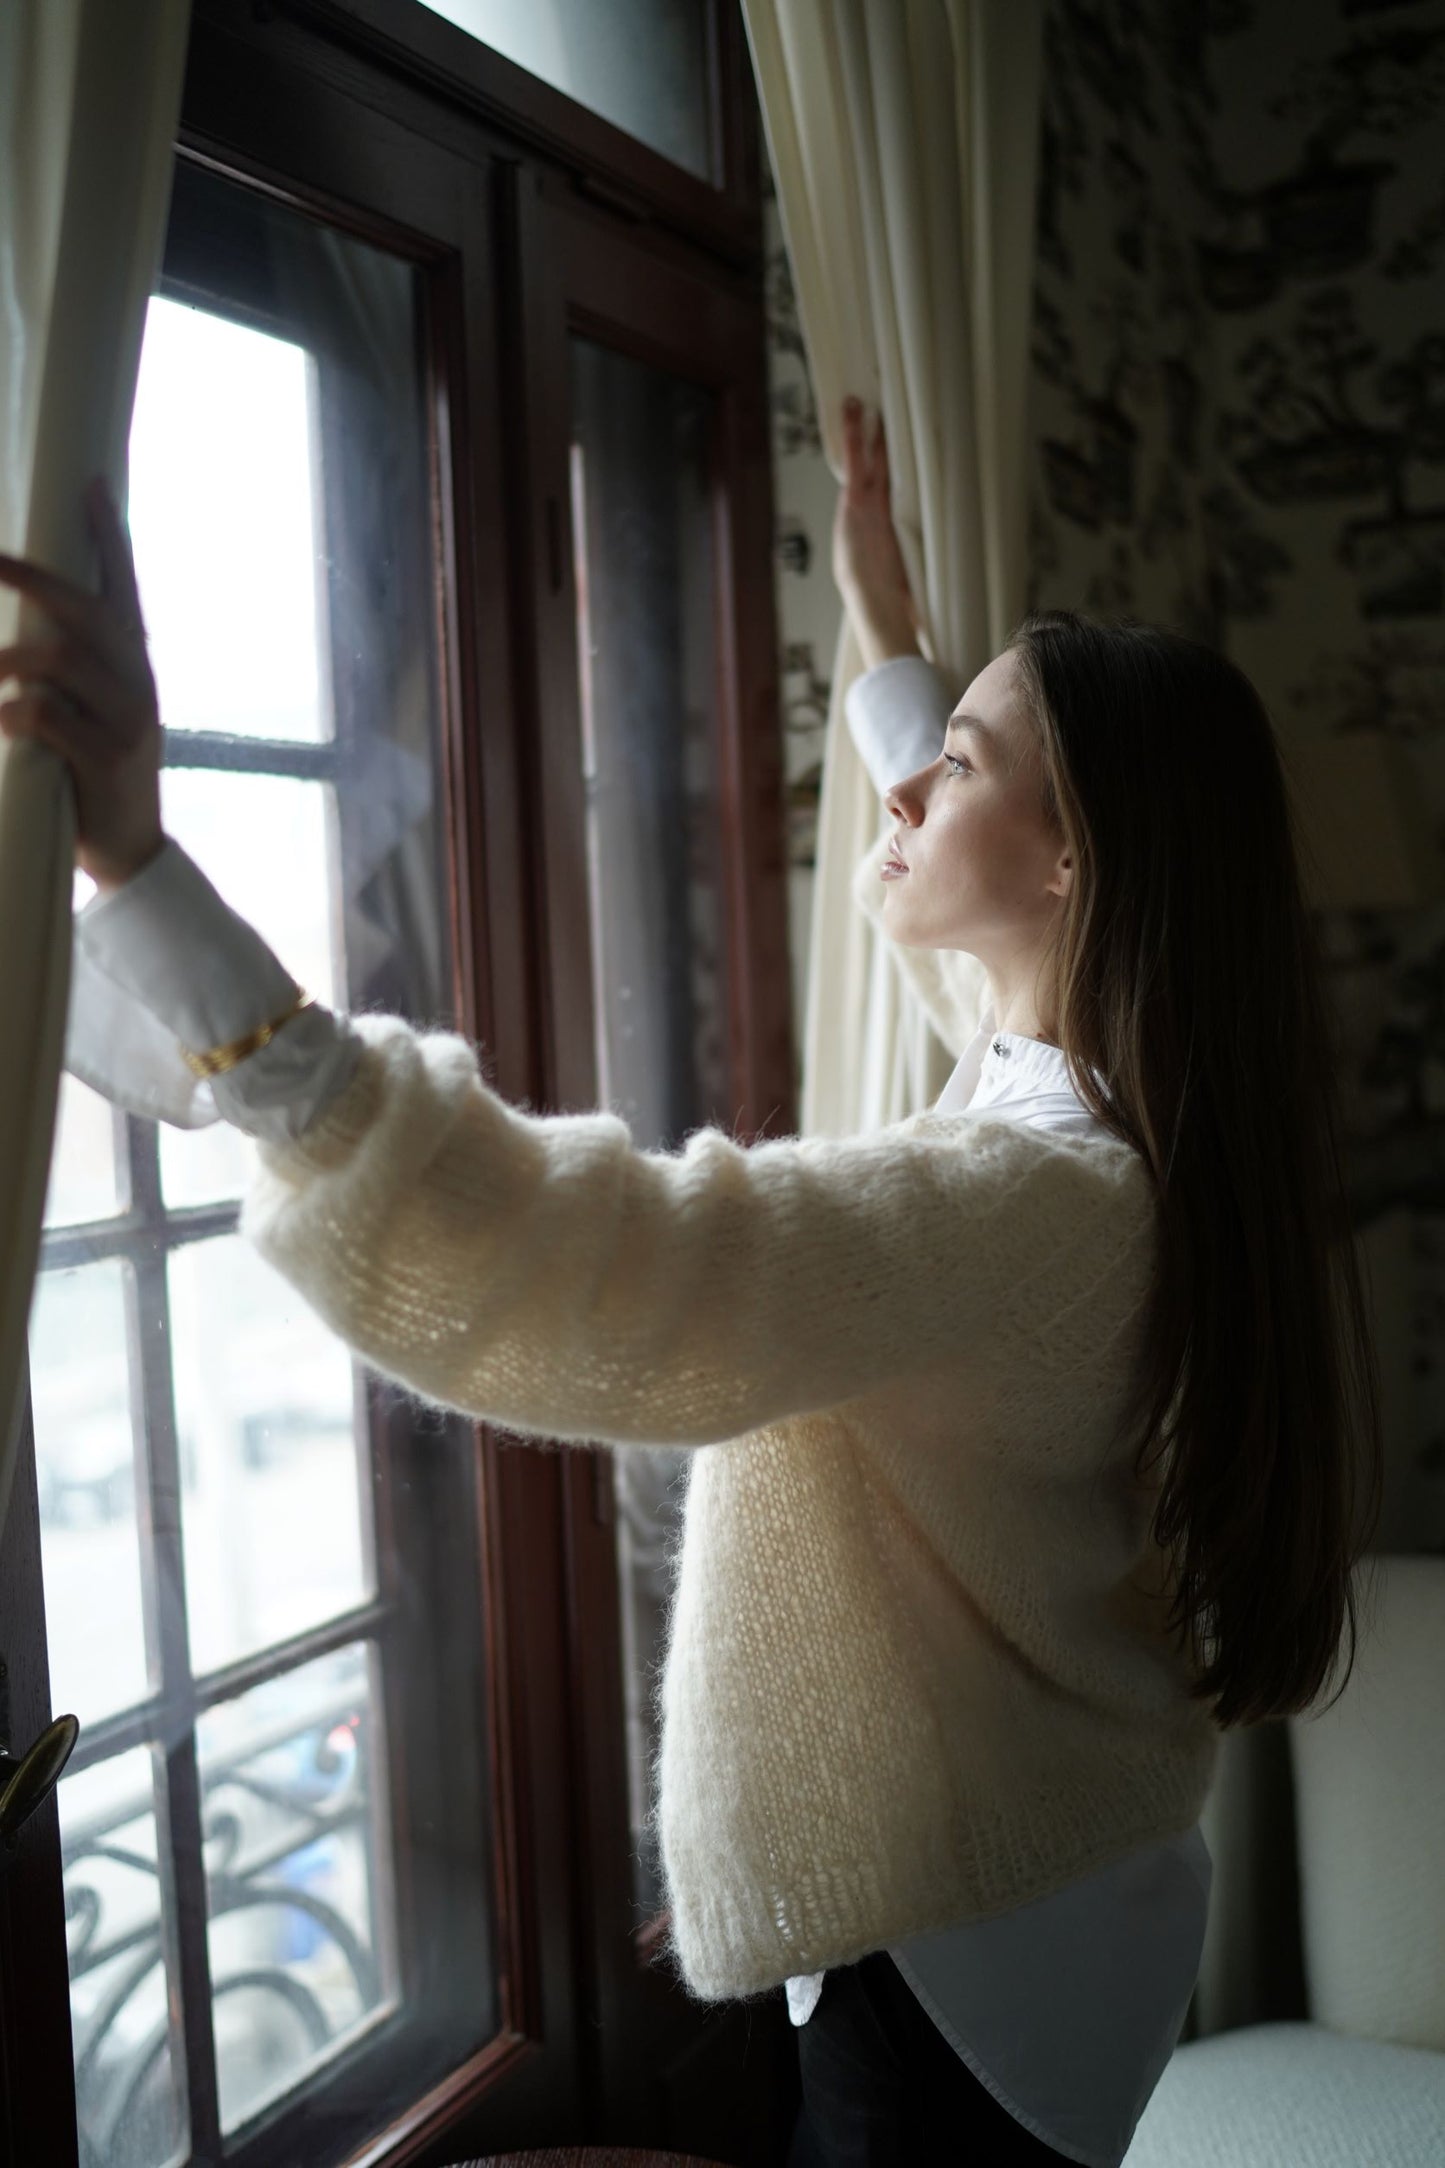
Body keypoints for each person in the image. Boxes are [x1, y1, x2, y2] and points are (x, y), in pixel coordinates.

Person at [0, 399, 1381, 2166]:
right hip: (1052, 1898)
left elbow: (621, 1262)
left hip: (961, 1991)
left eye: (957, 762)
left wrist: (143, 875)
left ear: (1072, 863)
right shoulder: (1115, 1099)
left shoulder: (1030, 1196)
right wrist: (889, 628)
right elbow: (958, 781)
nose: (901, 782)